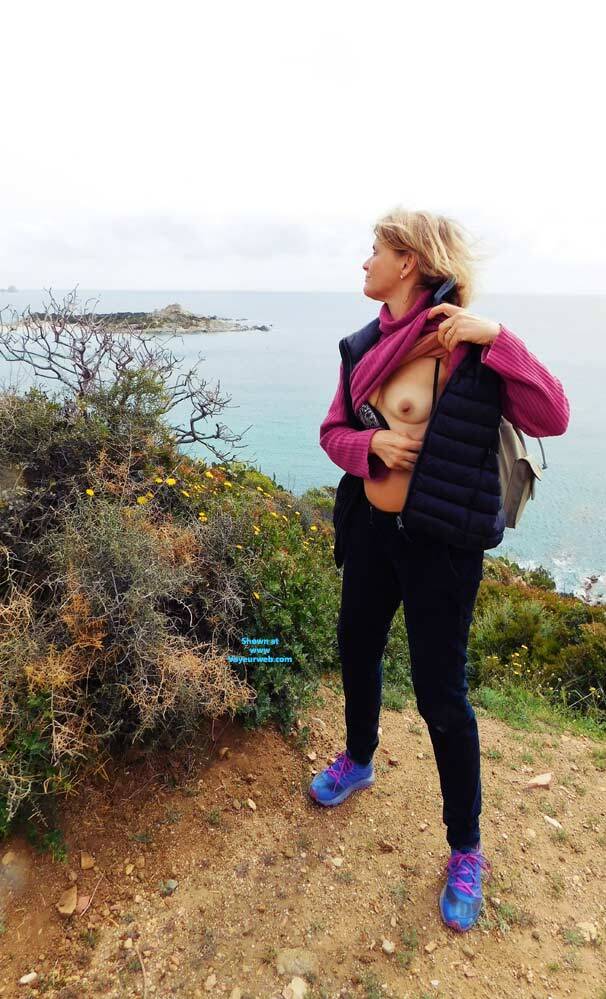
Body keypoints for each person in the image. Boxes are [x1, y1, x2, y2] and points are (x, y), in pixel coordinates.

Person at [311, 208, 570, 933]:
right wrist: (371, 448)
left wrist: (500, 338)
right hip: (373, 532)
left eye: (375, 250)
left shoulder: (468, 344)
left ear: (409, 262)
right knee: (355, 648)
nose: (364, 262)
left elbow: (553, 415)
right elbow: (332, 431)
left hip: (442, 544)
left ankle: (466, 848)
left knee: (440, 694)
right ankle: (359, 757)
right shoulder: (363, 347)